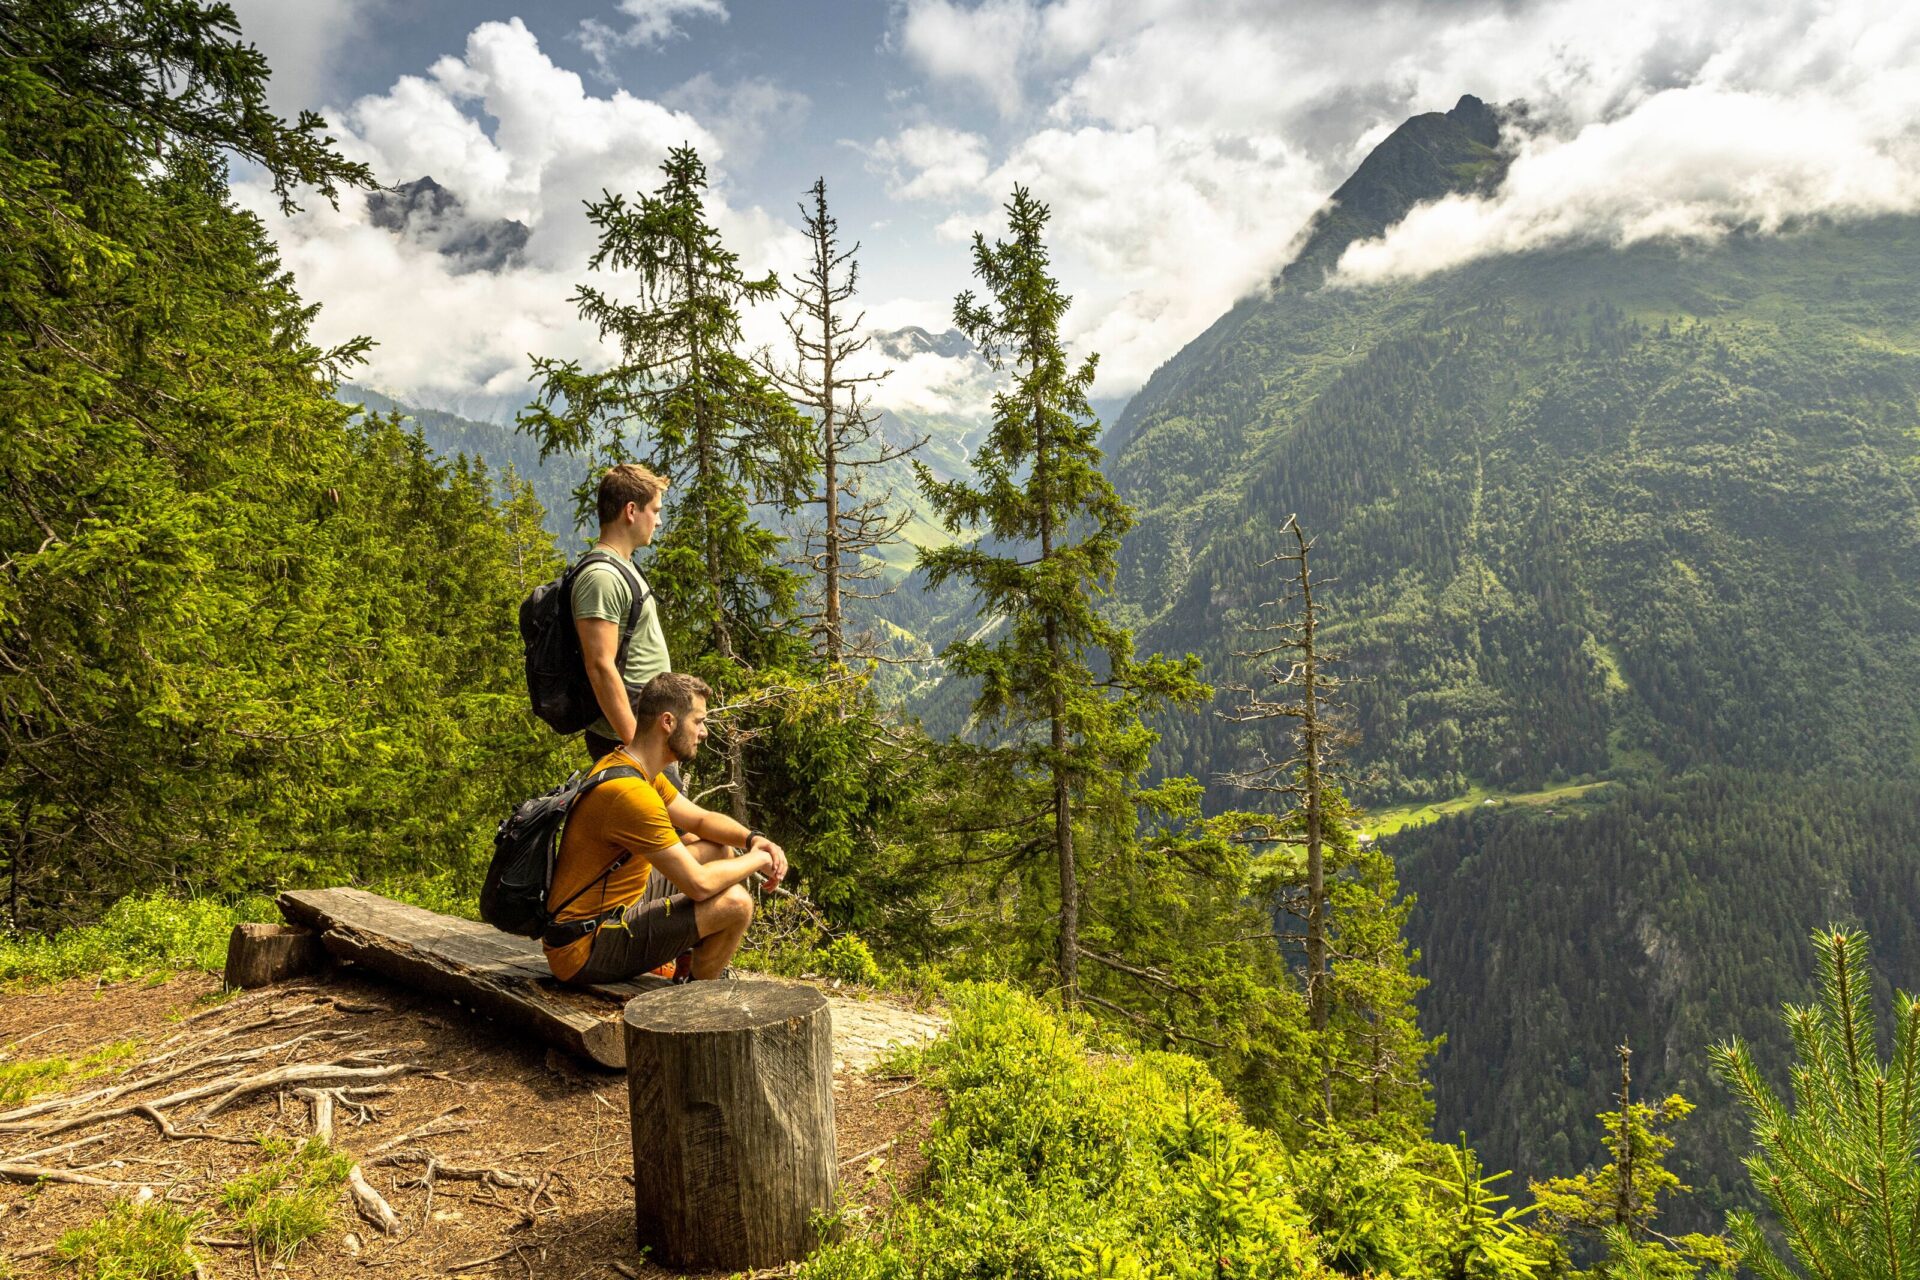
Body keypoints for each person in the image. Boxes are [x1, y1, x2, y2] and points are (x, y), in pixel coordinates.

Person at [543, 673, 789, 984]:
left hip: (612, 911)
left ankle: (688, 968)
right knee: (736, 904)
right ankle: (695, 1000)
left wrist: (754, 839)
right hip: (584, 945)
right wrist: (760, 859)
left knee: (717, 849)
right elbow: (698, 884)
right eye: (698, 721)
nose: (704, 733)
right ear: (668, 722)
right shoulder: (631, 794)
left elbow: (700, 820)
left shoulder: (633, 768)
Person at [573, 463, 672, 762]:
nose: (659, 521)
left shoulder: (622, 566)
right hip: (626, 740)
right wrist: (637, 750)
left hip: (647, 734)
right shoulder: (601, 577)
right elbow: (600, 667)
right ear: (631, 511)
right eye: (655, 511)